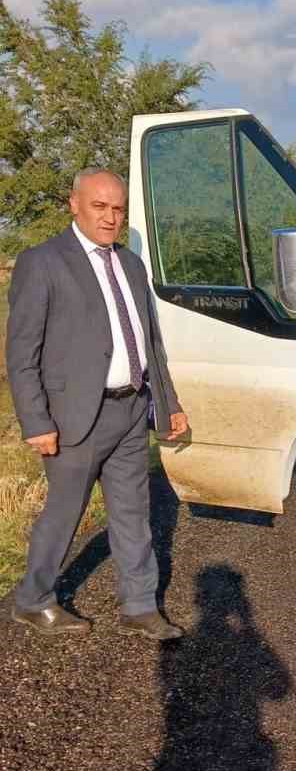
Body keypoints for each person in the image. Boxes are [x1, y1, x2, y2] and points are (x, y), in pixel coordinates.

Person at [6, 168, 189, 638]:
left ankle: (140, 605)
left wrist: (166, 401)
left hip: (131, 410)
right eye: (99, 207)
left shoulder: (130, 264)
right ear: (74, 204)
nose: (110, 217)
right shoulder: (42, 262)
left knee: (132, 511)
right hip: (73, 419)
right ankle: (32, 599)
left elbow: (150, 340)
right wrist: (36, 422)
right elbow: (21, 352)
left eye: (118, 208)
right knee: (64, 513)